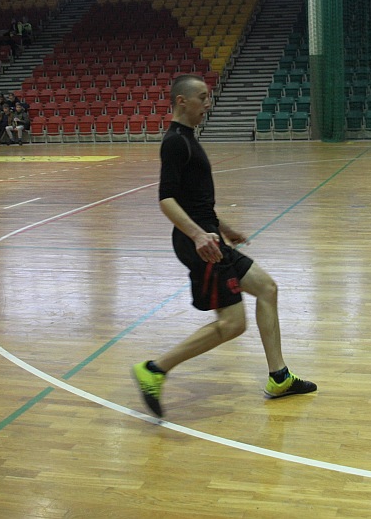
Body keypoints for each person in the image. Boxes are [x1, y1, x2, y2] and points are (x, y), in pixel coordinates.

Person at [131, 74, 316, 418]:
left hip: (212, 238)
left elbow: (194, 199)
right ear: (182, 101)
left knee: (267, 288)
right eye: (202, 97)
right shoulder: (175, 142)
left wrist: (223, 228)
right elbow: (166, 199)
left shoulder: (188, 139)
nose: (208, 104)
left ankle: (279, 377)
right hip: (201, 245)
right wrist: (199, 235)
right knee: (233, 324)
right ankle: (154, 370)